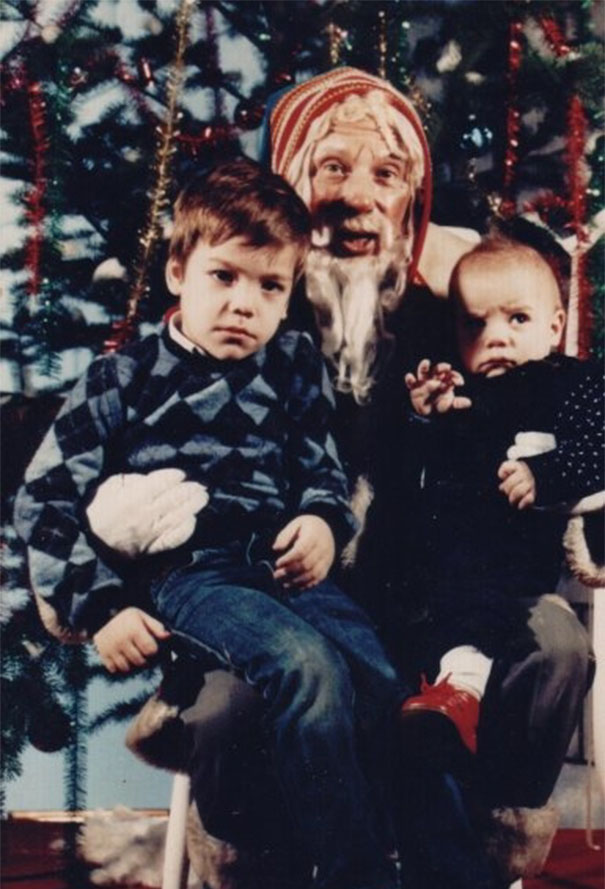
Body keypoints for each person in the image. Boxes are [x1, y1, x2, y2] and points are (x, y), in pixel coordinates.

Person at [33, 69, 593, 887]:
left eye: (384, 174)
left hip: (424, 589)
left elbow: (538, 413)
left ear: (410, 202)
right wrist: (96, 596)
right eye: (332, 168)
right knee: (270, 686)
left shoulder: (455, 321)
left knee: (513, 655)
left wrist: (336, 517)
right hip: (232, 583)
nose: (357, 199)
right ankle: (302, 867)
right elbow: (59, 491)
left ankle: (462, 860)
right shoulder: (219, 331)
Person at [15, 158, 412, 889]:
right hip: (194, 576)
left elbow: (321, 471)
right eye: (223, 276)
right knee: (306, 668)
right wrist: (102, 607)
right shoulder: (124, 378)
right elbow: (44, 501)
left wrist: (322, 523)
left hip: (285, 570)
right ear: (178, 272)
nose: (243, 304)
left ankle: (401, 848)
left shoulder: (291, 366)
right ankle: (353, 875)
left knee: (380, 674)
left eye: (269, 286)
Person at [398, 236, 603, 774]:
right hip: (430, 562)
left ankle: (461, 690)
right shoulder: (461, 386)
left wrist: (546, 473)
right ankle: (444, 720)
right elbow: (412, 478)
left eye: (517, 319)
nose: (496, 338)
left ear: (555, 326)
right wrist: (427, 417)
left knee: (478, 582)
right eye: (475, 324)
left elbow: (599, 448)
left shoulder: (571, 383)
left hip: (512, 559)